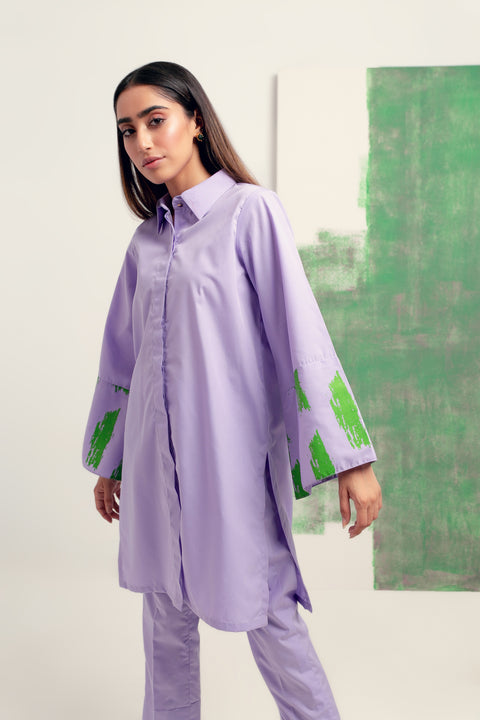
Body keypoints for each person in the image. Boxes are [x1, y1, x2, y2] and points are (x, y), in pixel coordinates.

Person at [82, 61, 382, 720]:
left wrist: (351, 461)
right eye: (128, 131)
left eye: (155, 121)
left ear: (195, 121)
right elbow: (121, 360)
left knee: (269, 611)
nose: (142, 143)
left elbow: (301, 336)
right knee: (164, 623)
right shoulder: (145, 243)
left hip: (231, 463)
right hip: (154, 472)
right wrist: (111, 462)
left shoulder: (250, 212)